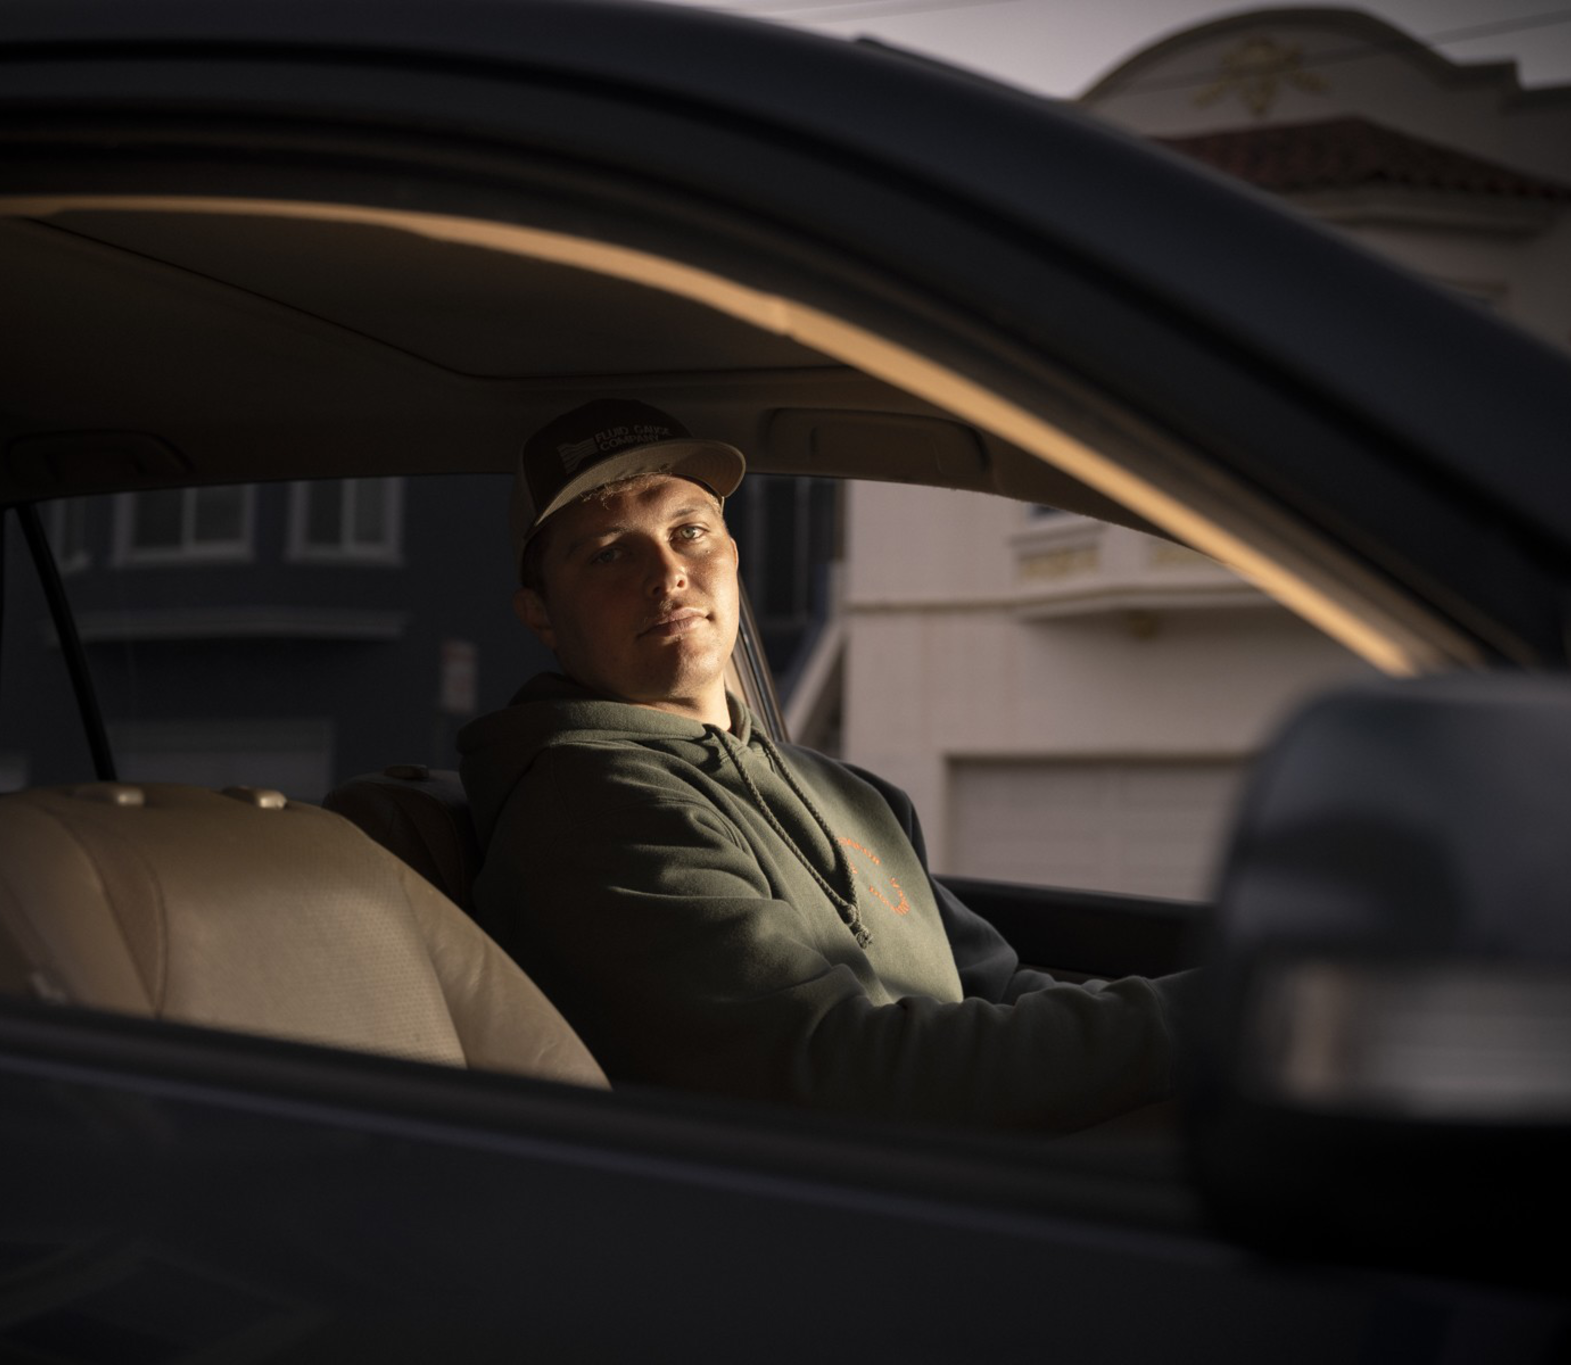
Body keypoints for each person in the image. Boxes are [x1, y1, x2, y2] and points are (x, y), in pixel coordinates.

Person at [458, 399, 1191, 1133]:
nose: (669, 572)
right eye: (609, 552)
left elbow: (993, 990)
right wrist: (1190, 1019)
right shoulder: (591, 811)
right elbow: (843, 1074)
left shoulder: (850, 794)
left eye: (690, 532)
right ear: (540, 613)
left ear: (733, 556)